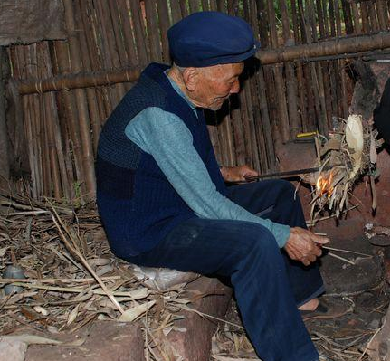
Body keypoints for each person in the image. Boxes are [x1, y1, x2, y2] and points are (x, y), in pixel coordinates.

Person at [95, 11, 330, 361]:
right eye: (232, 79)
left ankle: (299, 296)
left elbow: (167, 164)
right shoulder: (158, 114)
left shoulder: (177, 89)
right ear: (192, 76)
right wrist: (284, 236)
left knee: (281, 193)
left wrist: (224, 172)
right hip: (150, 231)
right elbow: (208, 206)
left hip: (176, 204)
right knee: (254, 242)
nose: (236, 89)